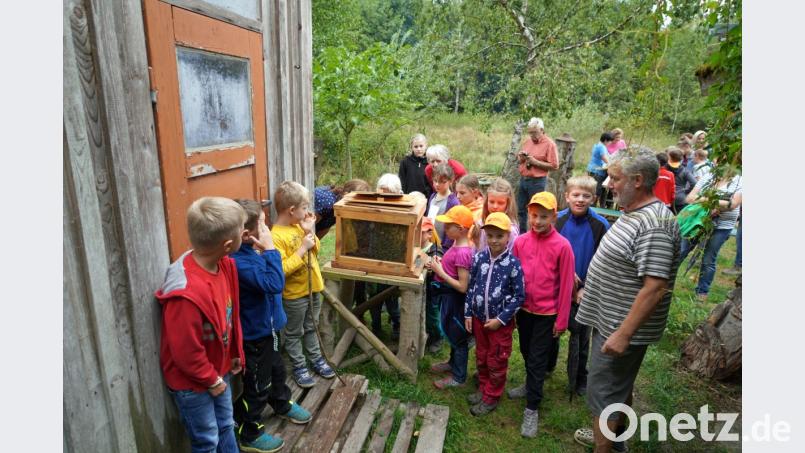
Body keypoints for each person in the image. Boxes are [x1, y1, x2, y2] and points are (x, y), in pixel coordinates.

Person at [573, 150, 681, 453]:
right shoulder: (635, 211)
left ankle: (604, 446)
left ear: (638, 180)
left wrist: (624, 333)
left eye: (616, 178)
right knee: (618, 387)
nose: (608, 184)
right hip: (611, 320)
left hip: (619, 328)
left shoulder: (655, 224)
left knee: (604, 394)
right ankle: (616, 441)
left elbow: (655, 287)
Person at [155, 197, 247, 453]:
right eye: (242, 229)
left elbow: (230, 314)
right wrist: (211, 380)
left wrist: (235, 352)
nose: (245, 232)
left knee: (226, 425)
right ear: (227, 245)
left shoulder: (224, 265)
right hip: (193, 384)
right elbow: (185, 352)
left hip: (218, 370)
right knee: (207, 440)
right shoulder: (186, 294)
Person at [231, 199, 311, 453]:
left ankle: (281, 402)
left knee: (277, 369)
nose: (267, 230)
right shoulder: (240, 261)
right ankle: (250, 433)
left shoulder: (253, 251)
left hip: (271, 328)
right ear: (246, 234)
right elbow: (274, 283)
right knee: (257, 384)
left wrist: (265, 250)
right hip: (256, 334)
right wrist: (271, 250)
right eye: (263, 225)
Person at [509, 192, 575, 438]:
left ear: (554, 217)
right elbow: (513, 278)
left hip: (548, 314)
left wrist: (562, 319)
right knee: (526, 353)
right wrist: (512, 310)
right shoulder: (521, 242)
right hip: (524, 310)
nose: (537, 221)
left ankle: (532, 409)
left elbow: (567, 284)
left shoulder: (563, 246)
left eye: (544, 217)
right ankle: (529, 385)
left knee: (537, 360)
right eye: (534, 216)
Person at [544, 176, 610, 395]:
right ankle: (546, 366)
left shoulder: (600, 225)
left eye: (586, 196)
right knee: (551, 332)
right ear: (567, 196)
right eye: (576, 195)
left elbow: (603, 262)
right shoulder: (558, 220)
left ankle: (580, 378)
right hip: (556, 288)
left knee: (581, 337)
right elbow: (548, 251)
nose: (580, 200)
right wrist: (564, 271)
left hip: (585, 292)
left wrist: (585, 287)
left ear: (594, 198)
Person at [271, 181, 336, 388]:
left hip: (313, 289)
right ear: (292, 210)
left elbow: (314, 251)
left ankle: (316, 359)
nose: (308, 211)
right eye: (305, 207)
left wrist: (309, 232)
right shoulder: (275, 237)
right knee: (294, 332)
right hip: (294, 295)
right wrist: (301, 248)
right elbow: (280, 270)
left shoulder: (299, 227)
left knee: (312, 326)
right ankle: (299, 365)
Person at [463, 212, 525, 416]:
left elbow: (519, 296)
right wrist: (468, 314)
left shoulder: (513, 264)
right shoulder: (479, 258)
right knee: (481, 356)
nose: (494, 240)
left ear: (508, 236)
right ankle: (483, 387)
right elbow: (471, 287)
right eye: (490, 235)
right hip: (480, 320)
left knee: (496, 359)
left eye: (499, 236)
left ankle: (492, 396)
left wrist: (501, 320)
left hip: (500, 325)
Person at [427, 205, 475, 389]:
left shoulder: (463, 253)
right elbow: (452, 268)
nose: (445, 229)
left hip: (455, 300)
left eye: (449, 226)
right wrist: (442, 263)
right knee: (452, 332)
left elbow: (463, 286)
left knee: (458, 336)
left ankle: (459, 377)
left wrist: (440, 271)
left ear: (461, 229)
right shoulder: (457, 245)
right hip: (448, 298)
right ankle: (452, 363)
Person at [679, 172, 743, 300]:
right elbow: (690, 198)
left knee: (708, 259)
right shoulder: (709, 175)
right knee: (680, 252)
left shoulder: (740, 180)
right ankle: (663, 282)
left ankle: (702, 292)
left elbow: (733, 204)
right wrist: (716, 202)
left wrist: (703, 199)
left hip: (722, 227)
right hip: (697, 222)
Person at [516, 117, 559, 233]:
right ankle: (522, 234)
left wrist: (535, 162)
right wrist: (521, 158)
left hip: (537, 181)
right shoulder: (527, 141)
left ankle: (534, 234)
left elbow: (555, 166)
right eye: (530, 133)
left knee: (536, 211)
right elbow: (520, 160)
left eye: (534, 133)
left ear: (542, 130)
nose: (532, 136)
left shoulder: (550, 144)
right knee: (520, 210)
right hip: (523, 179)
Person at [470, 177, 519, 252]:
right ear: (486, 201)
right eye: (492, 202)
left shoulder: (511, 230)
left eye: (500, 203)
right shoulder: (480, 224)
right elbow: (475, 250)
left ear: (508, 204)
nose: (495, 206)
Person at [421, 217, 446, 354]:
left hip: (432, 292)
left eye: (421, 231)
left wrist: (432, 265)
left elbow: (439, 268)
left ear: (430, 233)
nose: (417, 234)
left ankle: (438, 338)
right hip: (421, 291)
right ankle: (427, 335)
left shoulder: (436, 251)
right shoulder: (415, 248)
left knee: (433, 317)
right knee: (423, 315)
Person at [426, 163, 461, 251]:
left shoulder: (453, 202)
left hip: (442, 247)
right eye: (435, 180)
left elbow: (453, 228)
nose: (437, 184)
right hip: (429, 242)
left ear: (451, 181)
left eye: (442, 182)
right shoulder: (432, 196)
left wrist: (444, 249)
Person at [665, 146, 697, 214]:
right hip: (680, 197)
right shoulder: (685, 171)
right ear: (681, 159)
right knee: (679, 221)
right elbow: (694, 183)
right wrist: (686, 191)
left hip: (666, 198)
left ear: (669, 157)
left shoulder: (664, 169)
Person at [587, 132, 613, 206]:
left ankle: (595, 205)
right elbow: (604, 157)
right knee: (596, 190)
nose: (610, 143)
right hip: (597, 171)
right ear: (605, 140)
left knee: (594, 189)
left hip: (592, 169)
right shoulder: (602, 147)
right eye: (609, 141)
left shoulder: (597, 145)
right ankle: (592, 206)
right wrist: (610, 164)